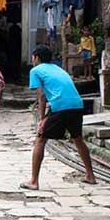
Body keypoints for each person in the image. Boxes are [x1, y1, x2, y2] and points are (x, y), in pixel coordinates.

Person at [21, 45, 97, 190]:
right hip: (77, 104)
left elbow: (42, 96)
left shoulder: (36, 70)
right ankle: (90, 175)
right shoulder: (58, 69)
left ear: (37, 58)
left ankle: (34, 181)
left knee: (40, 139)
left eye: (33, 57)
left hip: (60, 105)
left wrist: (42, 119)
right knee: (78, 139)